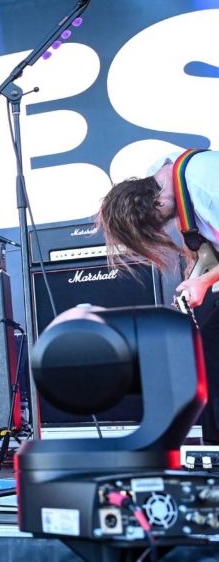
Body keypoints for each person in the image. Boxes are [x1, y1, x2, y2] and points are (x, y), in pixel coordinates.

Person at [98, 149, 219, 445]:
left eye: (155, 224)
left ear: (156, 203)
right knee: (206, 346)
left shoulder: (205, 181)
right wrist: (195, 273)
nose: (162, 229)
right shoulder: (166, 176)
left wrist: (204, 282)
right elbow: (204, 247)